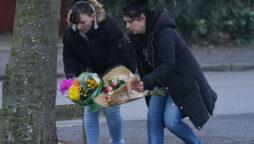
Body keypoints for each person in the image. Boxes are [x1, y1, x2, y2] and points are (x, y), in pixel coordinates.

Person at [122, 0, 217, 144]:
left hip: (180, 83)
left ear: (142, 17)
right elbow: (134, 63)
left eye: (130, 22)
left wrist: (145, 82)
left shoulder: (163, 32)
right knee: (153, 119)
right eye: (126, 22)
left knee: (171, 122)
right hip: (160, 83)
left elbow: (168, 65)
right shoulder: (136, 37)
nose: (127, 26)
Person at [62, 0, 134, 143]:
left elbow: (117, 59)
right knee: (90, 109)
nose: (79, 27)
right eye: (75, 23)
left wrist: (101, 83)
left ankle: (116, 141)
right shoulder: (70, 34)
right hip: (92, 73)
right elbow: (70, 60)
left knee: (111, 109)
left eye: (83, 22)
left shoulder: (110, 27)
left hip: (117, 70)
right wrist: (73, 79)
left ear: (93, 16)